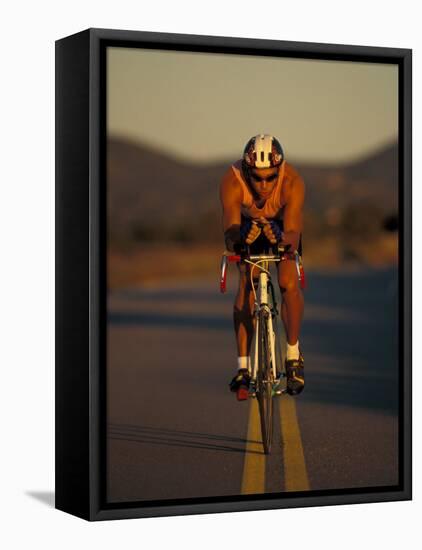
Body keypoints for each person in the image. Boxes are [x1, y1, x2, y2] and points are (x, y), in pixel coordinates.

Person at [219, 134, 305, 399]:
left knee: (287, 282)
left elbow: (293, 231)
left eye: (270, 177)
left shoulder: (292, 182)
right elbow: (230, 231)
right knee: (246, 283)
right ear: (246, 171)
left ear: (279, 171)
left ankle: (292, 355)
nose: (264, 184)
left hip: (281, 229)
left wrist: (281, 241)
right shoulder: (231, 181)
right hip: (247, 228)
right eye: (256, 177)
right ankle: (243, 367)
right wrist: (240, 241)